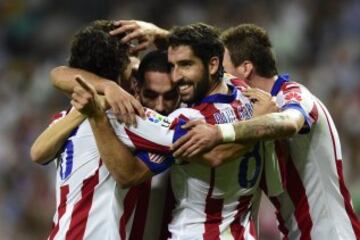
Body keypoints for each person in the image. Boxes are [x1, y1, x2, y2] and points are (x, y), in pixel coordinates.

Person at [72, 22, 281, 239]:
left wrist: (98, 112)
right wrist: (260, 124)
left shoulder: (188, 120)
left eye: (185, 65)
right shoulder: (246, 95)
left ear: (212, 65)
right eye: (173, 66)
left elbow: (129, 173)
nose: (176, 76)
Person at [171, 23, 360, 239]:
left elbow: (289, 123)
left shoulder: (294, 96)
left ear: (245, 69)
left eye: (224, 69)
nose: (220, 77)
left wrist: (220, 133)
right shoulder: (251, 111)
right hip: (295, 232)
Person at [30, 21, 185, 240]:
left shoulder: (67, 118)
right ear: (127, 79)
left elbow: (36, 152)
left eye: (168, 96)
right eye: (130, 69)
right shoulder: (124, 115)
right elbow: (192, 136)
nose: (159, 104)